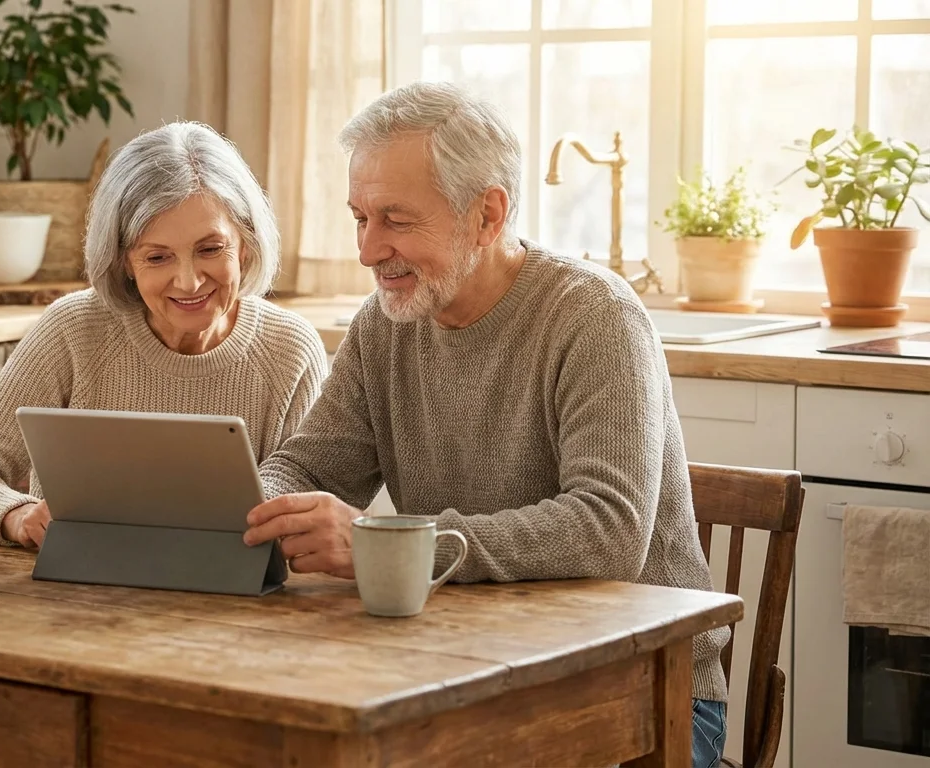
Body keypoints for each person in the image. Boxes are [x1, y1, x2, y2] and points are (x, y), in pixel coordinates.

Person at [240, 81, 732, 767]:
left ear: (487, 214)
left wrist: (388, 548)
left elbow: (608, 530)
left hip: (647, 691)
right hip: (462, 669)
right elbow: (308, 467)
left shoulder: (595, 318)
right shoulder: (384, 326)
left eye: (396, 220)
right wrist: (262, 500)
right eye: (360, 218)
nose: (367, 249)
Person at [0, 121, 329, 550]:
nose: (189, 282)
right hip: (68, 597)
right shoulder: (73, 329)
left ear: (244, 245)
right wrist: (15, 515)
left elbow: (304, 507)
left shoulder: (290, 349)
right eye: (158, 257)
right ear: (124, 264)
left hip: (234, 605)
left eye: (211, 249)